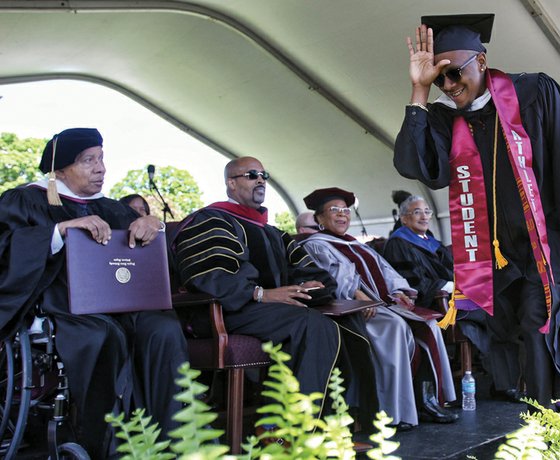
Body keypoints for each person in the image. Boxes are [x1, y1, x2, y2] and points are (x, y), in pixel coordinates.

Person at [393, 14, 560, 408]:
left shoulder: (533, 92)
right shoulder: (447, 118)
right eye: (439, 79)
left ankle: (551, 412)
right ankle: (537, 414)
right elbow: (419, 167)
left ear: (480, 61)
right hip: (487, 254)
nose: (449, 85)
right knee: (506, 337)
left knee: (537, 325)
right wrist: (418, 92)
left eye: (455, 73)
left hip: (541, 248)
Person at [0, 128, 188, 458]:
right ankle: (109, 446)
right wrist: (57, 231)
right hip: (61, 306)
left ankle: (173, 441)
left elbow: (148, 261)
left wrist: (153, 225)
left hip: (123, 305)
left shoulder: (113, 208)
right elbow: (6, 252)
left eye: (101, 158)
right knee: (104, 334)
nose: (100, 168)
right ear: (59, 171)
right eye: (88, 160)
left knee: (164, 329)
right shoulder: (25, 200)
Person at [170, 157, 378, 429]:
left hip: (270, 311)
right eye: (252, 175)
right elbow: (210, 276)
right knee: (312, 325)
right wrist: (261, 294)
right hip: (225, 311)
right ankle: (292, 431)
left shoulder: (272, 232)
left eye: (264, 175)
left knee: (347, 322)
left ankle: (346, 422)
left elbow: (308, 270)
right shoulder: (210, 220)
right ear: (231, 183)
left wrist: (312, 286)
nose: (261, 180)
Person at [301, 187, 457, 427]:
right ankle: (392, 412)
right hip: (349, 309)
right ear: (319, 217)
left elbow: (386, 270)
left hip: (378, 304)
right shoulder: (316, 244)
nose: (342, 215)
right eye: (334, 210)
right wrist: (359, 295)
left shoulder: (355, 244)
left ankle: (426, 401)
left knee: (428, 324)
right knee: (396, 327)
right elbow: (334, 276)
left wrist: (399, 292)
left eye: (345, 210)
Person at [384, 195, 497, 394]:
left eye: (427, 211)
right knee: (492, 314)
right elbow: (413, 283)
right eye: (417, 212)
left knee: (495, 307)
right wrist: (452, 285)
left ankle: (500, 375)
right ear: (403, 218)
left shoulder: (430, 241)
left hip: (452, 298)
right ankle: (499, 376)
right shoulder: (398, 244)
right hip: (432, 304)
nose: (424, 216)